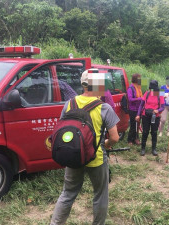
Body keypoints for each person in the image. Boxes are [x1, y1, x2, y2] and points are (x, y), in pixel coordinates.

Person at [50, 69, 120, 225]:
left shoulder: (69, 104)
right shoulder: (104, 107)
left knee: (67, 193)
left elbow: (59, 129)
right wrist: (107, 144)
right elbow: (115, 137)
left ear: (83, 84)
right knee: (100, 195)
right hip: (96, 158)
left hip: (73, 155)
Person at [136, 80, 165, 156]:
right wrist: (138, 115)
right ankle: (143, 148)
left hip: (155, 116)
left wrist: (157, 110)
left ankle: (154, 149)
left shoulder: (160, 94)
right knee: (145, 132)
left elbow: (162, 107)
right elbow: (141, 105)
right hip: (145, 115)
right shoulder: (147, 93)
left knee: (154, 132)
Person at [127, 73, 143, 145]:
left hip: (139, 109)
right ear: (136, 79)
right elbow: (130, 99)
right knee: (133, 125)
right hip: (132, 109)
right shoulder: (130, 88)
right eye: (139, 78)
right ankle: (130, 139)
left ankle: (136, 138)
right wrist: (139, 99)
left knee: (138, 125)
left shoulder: (139, 87)